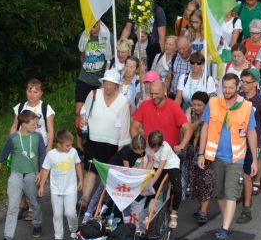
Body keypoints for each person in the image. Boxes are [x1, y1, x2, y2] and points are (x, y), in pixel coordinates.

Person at [197, 73, 258, 240]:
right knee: (221, 194)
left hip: (236, 159)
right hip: (216, 156)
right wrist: (201, 153)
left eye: (231, 87)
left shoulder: (246, 107)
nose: (227, 90)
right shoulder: (213, 102)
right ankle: (227, 224)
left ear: (237, 87)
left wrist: (253, 159)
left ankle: (223, 229)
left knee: (231, 192)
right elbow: (205, 127)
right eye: (224, 87)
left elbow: (251, 132)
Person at [79, 70, 131, 208]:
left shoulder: (123, 101)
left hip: (113, 143)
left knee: (108, 174)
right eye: (106, 83)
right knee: (90, 169)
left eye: (111, 84)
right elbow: (84, 110)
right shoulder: (94, 94)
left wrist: (122, 144)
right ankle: (85, 199)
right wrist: (83, 120)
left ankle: (103, 203)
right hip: (93, 139)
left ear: (117, 85)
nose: (108, 87)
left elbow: (125, 123)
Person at [0, 110, 46, 240]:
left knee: (34, 202)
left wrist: (41, 172)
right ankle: (7, 237)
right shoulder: (13, 138)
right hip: (16, 175)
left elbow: (42, 154)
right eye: (33, 124)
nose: (36, 126)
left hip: (32, 175)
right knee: (13, 206)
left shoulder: (38, 137)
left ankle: (37, 224)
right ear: (23, 124)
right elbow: (5, 150)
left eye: (36, 123)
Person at [9, 78, 55, 221]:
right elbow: (14, 125)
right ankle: (22, 204)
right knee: (20, 174)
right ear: (26, 92)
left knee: (35, 176)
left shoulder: (46, 108)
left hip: (38, 147)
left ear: (41, 93)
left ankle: (32, 208)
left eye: (36, 91)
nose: (32, 94)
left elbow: (50, 129)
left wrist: (48, 148)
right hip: (22, 147)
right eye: (30, 91)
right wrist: (11, 142)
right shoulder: (21, 107)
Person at [236, 68, 261, 224]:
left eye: (247, 82)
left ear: (256, 83)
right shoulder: (237, 98)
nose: (243, 85)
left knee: (246, 176)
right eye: (242, 81)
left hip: (253, 143)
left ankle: (247, 208)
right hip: (236, 141)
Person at [37, 130, 83, 240]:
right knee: (57, 214)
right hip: (56, 189)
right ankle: (58, 238)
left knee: (70, 212)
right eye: (67, 145)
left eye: (71, 144)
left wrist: (81, 179)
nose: (70, 147)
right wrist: (41, 186)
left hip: (70, 188)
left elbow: (78, 165)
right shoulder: (51, 154)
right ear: (59, 144)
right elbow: (45, 170)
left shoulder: (73, 152)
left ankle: (74, 232)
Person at [75, 20, 112, 147]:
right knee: (79, 111)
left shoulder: (107, 36)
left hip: (99, 82)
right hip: (84, 79)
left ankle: (91, 141)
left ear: (99, 24)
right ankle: (79, 145)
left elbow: (110, 58)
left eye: (94, 26)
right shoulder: (83, 36)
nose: (91, 29)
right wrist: (87, 67)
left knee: (95, 113)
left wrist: (104, 80)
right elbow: (82, 54)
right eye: (89, 26)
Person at [131, 80, 192, 153]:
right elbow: (134, 127)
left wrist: (182, 145)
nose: (153, 97)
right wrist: (138, 143)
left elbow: (188, 129)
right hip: (149, 151)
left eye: (156, 94)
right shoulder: (144, 105)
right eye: (151, 93)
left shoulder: (174, 106)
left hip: (169, 153)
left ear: (164, 91)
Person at [186, 92, 213, 224]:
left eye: (199, 105)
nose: (196, 107)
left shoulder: (211, 115)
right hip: (192, 151)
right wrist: (199, 121)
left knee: (206, 181)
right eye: (194, 104)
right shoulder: (190, 113)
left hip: (207, 152)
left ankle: (204, 210)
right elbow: (186, 129)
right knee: (195, 181)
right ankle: (201, 206)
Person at [147, 130, 182, 229]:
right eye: (151, 146)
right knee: (152, 189)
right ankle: (150, 212)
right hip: (157, 165)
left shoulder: (165, 147)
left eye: (155, 147)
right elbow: (150, 163)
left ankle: (174, 214)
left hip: (171, 165)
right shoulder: (149, 144)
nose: (152, 149)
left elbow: (160, 171)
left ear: (160, 144)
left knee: (177, 189)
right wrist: (147, 181)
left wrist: (150, 184)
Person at [121, 0, 166, 69]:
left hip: (152, 48)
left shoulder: (157, 10)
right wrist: (121, 47)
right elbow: (127, 29)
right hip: (135, 45)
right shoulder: (133, 9)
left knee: (149, 67)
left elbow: (162, 35)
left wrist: (160, 57)